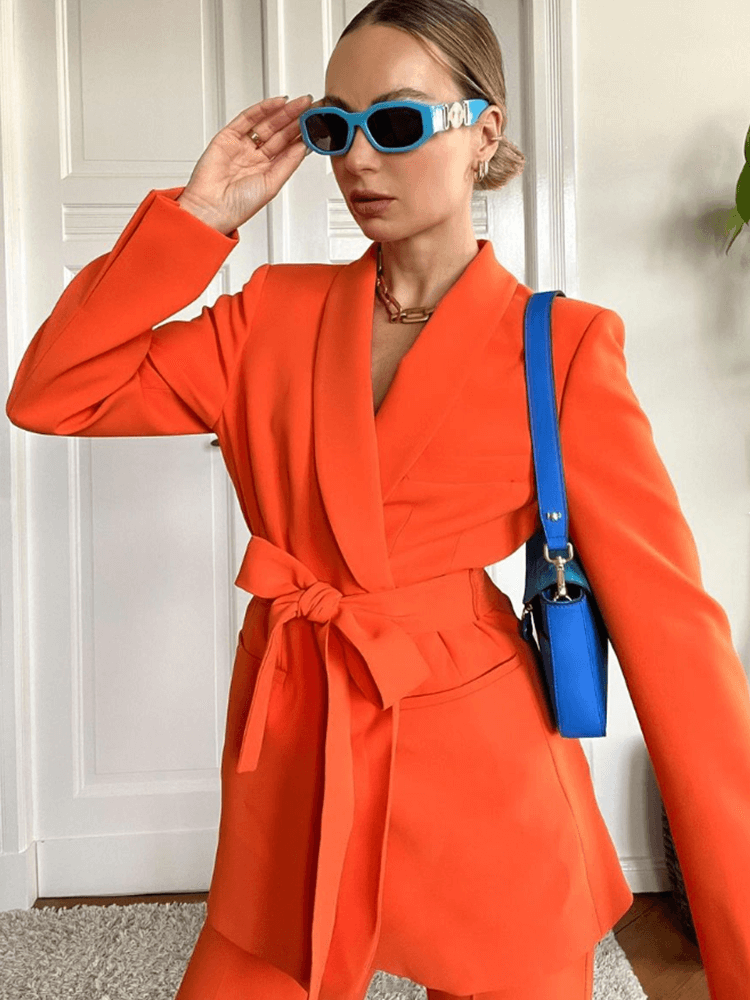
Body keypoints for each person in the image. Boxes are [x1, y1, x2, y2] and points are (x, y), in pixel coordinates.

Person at [7, 1, 750, 999]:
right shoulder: (268, 316)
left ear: (483, 132)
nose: (358, 159)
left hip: (484, 775)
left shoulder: (563, 348)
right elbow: (54, 393)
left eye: (395, 123)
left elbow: (676, 647)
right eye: (333, 127)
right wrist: (199, 219)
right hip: (298, 749)